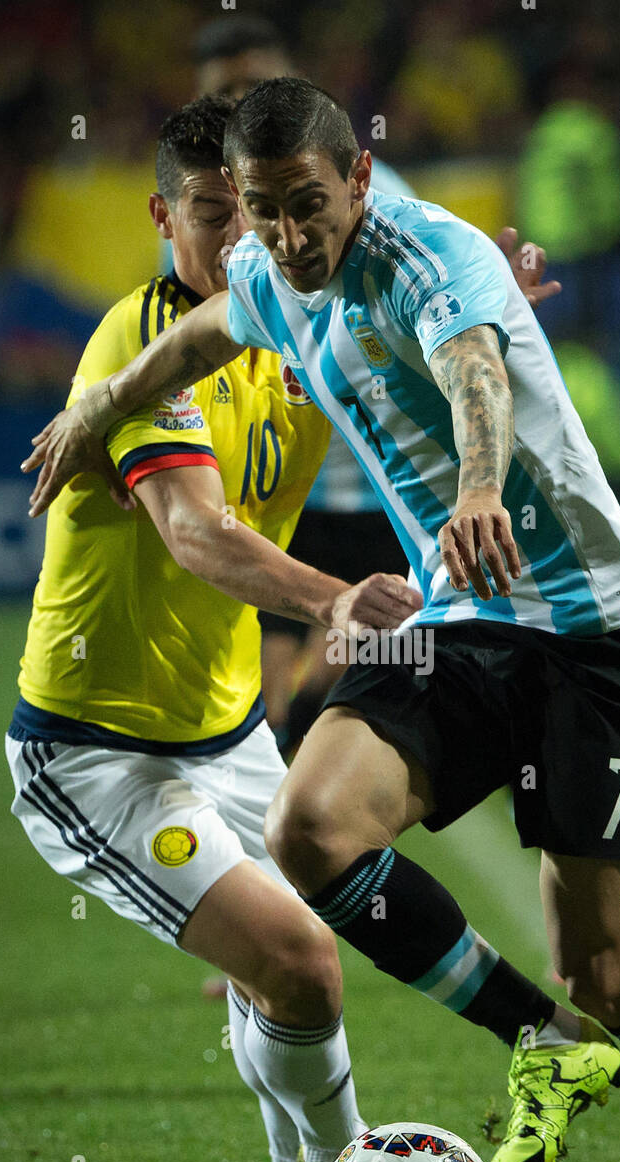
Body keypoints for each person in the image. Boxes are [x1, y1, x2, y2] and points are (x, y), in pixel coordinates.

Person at [22, 79, 620, 1162]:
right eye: (264, 212)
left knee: (607, 971)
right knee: (309, 829)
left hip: (594, 632)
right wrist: (96, 408)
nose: (285, 236)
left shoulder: (430, 256)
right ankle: (543, 1045)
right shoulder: (274, 278)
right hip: (466, 620)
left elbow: (474, 367)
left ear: (361, 181)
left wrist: (480, 482)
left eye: (306, 206)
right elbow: (204, 330)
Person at [6, 94, 424, 1162]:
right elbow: (195, 534)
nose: (240, 238)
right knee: (303, 960)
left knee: (278, 974)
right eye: (207, 214)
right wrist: (333, 598)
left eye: (255, 213)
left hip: (226, 729)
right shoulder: (135, 351)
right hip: (95, 756)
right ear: (160, 214)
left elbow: (399, 271)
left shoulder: (289, 318)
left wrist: (493, 308)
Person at [190, 11, 415, 756]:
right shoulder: (201, 217)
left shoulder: (370, 192)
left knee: (350, 674)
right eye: (226, 89)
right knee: (266, 701)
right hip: (277, 489)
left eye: (256, 84)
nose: (242, 101)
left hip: (380, 481)